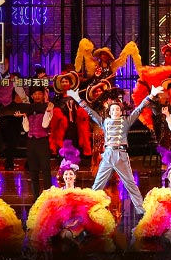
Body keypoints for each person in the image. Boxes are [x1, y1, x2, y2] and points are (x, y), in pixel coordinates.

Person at [67, 85, 161, 217]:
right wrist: (77, 98)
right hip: (108, 155)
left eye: (117, 109)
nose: (115, 111)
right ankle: (88, 210)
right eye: (113, 109)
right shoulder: (104, 122)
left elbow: (139, 109)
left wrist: (151, 95)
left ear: (121, 112)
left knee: (130, 184)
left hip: (121, 155)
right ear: (109, 112)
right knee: (97, 184)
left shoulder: (126, 122)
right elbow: (90, 112)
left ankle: (141, 211)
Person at [25, 140, 116, 245]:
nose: (68, 176)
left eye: (71, 174)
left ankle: (73, 239)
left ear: (74, 177)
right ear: (63, 177)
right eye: (66, 174)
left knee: (75, 230)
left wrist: (101, 198)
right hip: (62, 223)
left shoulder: (79, 192)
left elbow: (91, 200)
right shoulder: (57, 192)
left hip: (76, 222)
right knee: (63, 234)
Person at [18, 88, 55, 198]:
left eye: (40, 94)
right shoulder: (29, 108)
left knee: (45, 169)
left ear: (43, 95)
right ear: (32, 96)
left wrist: (47, 111)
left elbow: (45, 125)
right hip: (31, 142)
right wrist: (24, 116)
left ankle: (48, 196)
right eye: (35, 94)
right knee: (33, 171)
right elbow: (26, 129)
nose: (37, 96)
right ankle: (35, 197)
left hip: (42, 141)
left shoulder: (48, 107)